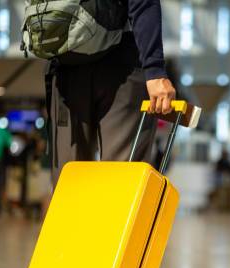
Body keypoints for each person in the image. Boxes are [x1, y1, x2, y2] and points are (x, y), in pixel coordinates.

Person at [48, 0, 176, 183]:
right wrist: (154, 70)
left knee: (68, 183)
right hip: (121, 64)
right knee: (122, 182)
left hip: (65, 63)